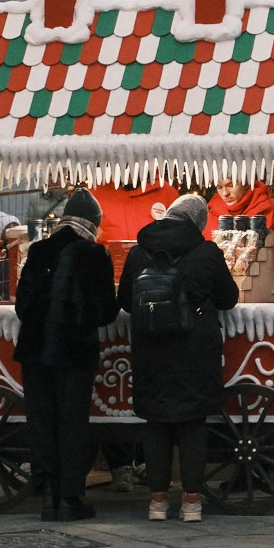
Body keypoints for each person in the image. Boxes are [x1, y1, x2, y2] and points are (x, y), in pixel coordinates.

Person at [118, 191, 233, 524]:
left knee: (156, 423)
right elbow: (228, 298)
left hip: (151, 348)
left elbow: (125, 300)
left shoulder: (140, 252)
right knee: (192, 424)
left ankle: (156, 502)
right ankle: (192, 502)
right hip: (195, 350)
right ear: (198, 221)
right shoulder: (207, 252)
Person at [13, 191, 119, 523]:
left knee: (42, 421)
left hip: (35, 350)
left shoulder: (39, 249)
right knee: (72, 423)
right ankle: (69, 499)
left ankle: (47, 496)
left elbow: (21, 307)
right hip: (73, 352)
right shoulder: (95, 254)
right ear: (93, 223)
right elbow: (105, 313)